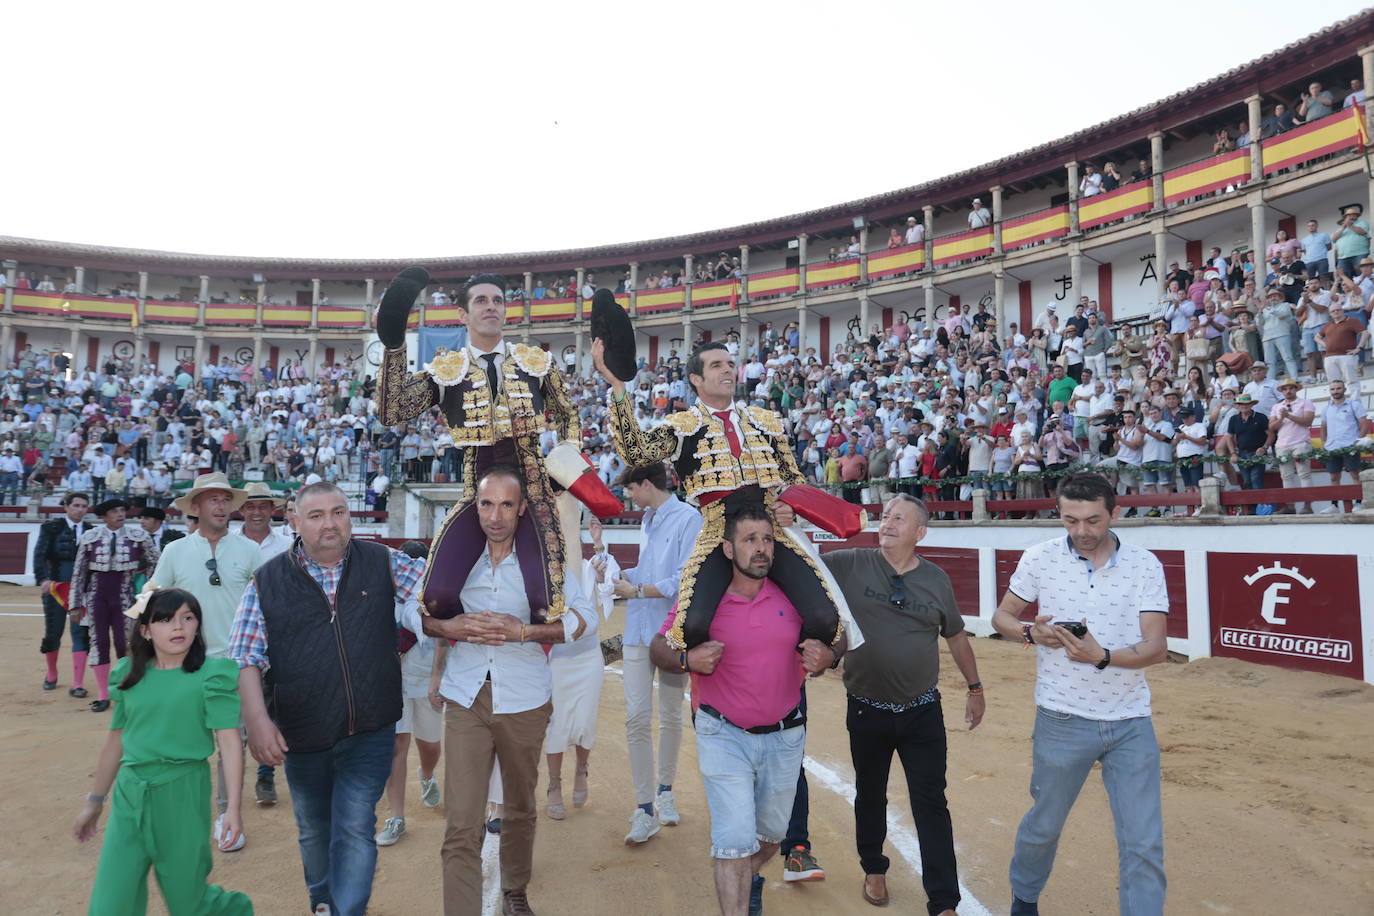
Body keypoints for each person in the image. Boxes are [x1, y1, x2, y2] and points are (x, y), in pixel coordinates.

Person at [229, 481, 427, 916]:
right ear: (295, 522)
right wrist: (259, 722)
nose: (330, 524)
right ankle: (322, 902)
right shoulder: (266, 582)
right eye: (316, 516)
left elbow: (432, 595)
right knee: (314, 830)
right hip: (303, 732)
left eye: (338, 512)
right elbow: (245, 657)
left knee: (355, 826)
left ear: (350, 517)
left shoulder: (384, 562)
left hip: (371, 728)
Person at [594, 339, 857, 663]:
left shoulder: (766, 421)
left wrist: (791, 508)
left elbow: (792, 478)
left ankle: (778, 665)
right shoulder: (682, 427)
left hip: (769, 529)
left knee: (824, 619)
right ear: (696, 379)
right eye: (717, 365)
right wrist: (618, 387)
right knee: (692, 626)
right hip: (719, 532)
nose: (728, 370)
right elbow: (636, 452)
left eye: (731, 364)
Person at [647, 502, 845, 916]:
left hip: (786, 735)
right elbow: (659, 646)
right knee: (734, 839)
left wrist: (830, 656)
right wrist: (687, 661)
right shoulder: (704, 600)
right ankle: (737, 896)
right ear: (727, 549)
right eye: (749, 539)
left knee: (770, 837)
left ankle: (744, 877)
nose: (761, 549)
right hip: (724, 733)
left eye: (767, 540)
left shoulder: (795, 597)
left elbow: (839, 635)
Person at [992, 472, 1169, 916]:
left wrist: (1101, 655)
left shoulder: (1145, 564)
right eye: (1071, 521)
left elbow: (1156, 648)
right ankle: (1025, 898)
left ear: (1115, 513)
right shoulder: (1040, 558)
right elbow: (1002, 618)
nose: (1082, 532)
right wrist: (1031, 633)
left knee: (1143, 841)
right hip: (1061, 718)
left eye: (1093, 520)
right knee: (1045, 826)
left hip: (1130, 720)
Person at [418, 467, 593, 916]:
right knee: (462, 822)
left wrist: (527, 632)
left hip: (525, 699)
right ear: (473, 507)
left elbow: (585, 617)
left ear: (522, 509)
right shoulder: (456, 560)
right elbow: (409, 608)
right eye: (486, 504)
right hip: (465, 696)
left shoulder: (543, 564)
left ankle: (515, 887)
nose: (495, 515)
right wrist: (445, 625)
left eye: (506, 505)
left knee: (518, 806)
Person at [375, 271, 594, 630]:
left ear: (506, 311)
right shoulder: (449, 370)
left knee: (545, 603)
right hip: (477, 493)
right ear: (463, 315)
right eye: (481, 301)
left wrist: (568, 455)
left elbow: (569, 414)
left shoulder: (535, 362)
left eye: (497, 301)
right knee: (438, 596)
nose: (491, 307)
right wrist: (395, 346)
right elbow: (392, 411)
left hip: (534, 493)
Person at [817, 494, 983, 914]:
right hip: (866, 706)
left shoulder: (936, 579)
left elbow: (957, 636)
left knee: (931, 801)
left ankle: (944, 900)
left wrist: (975, 688)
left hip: (922, 709)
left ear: (919, 532)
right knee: (870, 792)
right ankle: (874, 867)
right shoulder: (850, 562)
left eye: (899, 518)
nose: (888, 523)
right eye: (885, 515)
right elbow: (805, 565)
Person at [73, 588, 252, 915]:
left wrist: (233, 810)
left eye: (188, 618)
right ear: (145, 629)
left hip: (183, 794)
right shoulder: (129, 674)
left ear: (197, 625)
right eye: (166, 620)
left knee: (189, 903)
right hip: (130, 795)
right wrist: (94, 802)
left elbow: (229, 742)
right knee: (111, 903)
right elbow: (116, 743)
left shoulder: (212, 675)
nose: (178, 627)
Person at [148, 471, 264, 843]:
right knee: (185, 743)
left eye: (224, 499)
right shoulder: (175, 551)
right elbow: (154, 597)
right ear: (195, 507)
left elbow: (267, 604)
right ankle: (183, 813)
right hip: (186, 663)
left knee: (232, 744)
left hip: (235, 662)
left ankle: (226, 816)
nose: (220, 505)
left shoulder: (249, 551)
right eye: (212, 499)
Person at [609, 461, 701, 843]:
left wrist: (638, 590)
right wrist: (619, 575)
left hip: (672, 630)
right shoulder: (647, 520)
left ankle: (665, 790)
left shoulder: (688, 518)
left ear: (646, 484)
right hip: (637, 628)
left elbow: (686, 577)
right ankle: (644, 806)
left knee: (668, 716)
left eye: (631, 488)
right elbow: (648, 571)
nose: (629, 496)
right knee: (635, 718)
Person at [543, 516, 613, 821]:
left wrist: (599, 544)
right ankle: (554, 784)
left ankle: (581, 770)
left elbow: (607, 575)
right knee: (556, 723)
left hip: (587, 658)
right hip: (557, 659)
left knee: (584, 720)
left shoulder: (588, 565)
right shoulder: (541, 572)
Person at [377, 540, 444, 847]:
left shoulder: (432, 597)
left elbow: (442, 638)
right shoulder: (381, 597)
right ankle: (396, 816)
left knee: (429, 745)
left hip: (424, 679)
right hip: (393, 680)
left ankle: (427, 774)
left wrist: (436, 678)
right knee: (396, 744)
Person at [70, 499, 161, 712]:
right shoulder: (90, 537)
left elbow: (157, 563)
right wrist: (75, 604)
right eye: (114, 511)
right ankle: (104, 695)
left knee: (125, 643)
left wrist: (147, 593)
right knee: (98, 642)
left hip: (124, 595)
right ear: (103, 516)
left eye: (122, 510)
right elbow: (79, 572)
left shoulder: (139, 537)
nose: (120, 514)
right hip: (96, 596)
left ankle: (125, 691)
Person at [35, 491, 92, 696]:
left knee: (80, 633)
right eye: (76, 505)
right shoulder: (51, 528)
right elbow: (39, 554)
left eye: (84, 506)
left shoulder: (90, 530)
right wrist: (43, 579)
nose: (80, 509)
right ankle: (52, 672)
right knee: (53, 631)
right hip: (56, 587)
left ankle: (77, 683)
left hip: (81, 590)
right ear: (66, 507)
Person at [1268, 378, 1315, 514]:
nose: (1288, 391)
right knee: (1286, 476)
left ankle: (1307, 506)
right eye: (1285, 389)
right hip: (1282, 443)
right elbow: (1271, 427)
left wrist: (1288, 415)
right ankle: (1290, 506)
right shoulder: (1277, 406)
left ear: (1296, 389)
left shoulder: (1305, 402)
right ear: (1282, 391)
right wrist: (1282, 418)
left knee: (1304, 474)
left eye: (1291, 388)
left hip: (1300, 441)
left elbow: (1307, 422)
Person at [238, 481, 293, 561]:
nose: (257, 512)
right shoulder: (227, 542)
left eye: (262, 507)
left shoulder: (288, 546)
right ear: (241, 510)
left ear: (273, 509)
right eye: (251, 507)